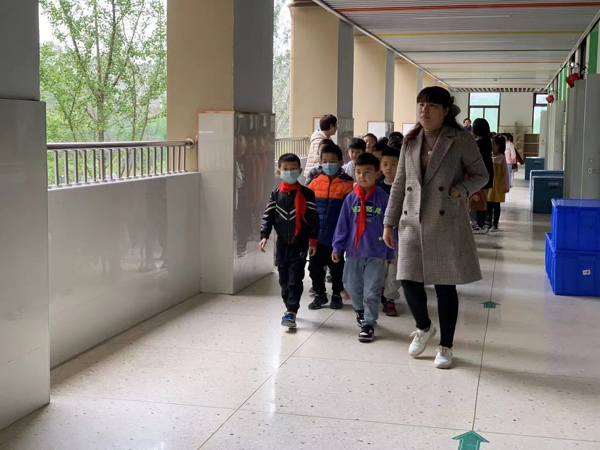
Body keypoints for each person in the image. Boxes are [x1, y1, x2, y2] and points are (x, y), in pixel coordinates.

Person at [383, 86, 489, 369]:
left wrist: (460, 190)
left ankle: (446, 346)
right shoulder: (410, 140)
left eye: (431, 105)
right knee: (407, 279)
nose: (424, 110)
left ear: (445, 110)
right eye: (421, 104)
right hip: (411, 221)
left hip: (445, 222)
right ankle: (424, 326)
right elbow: (399, 184)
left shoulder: (460, 139)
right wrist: (388, 222)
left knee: (444, 286)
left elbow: (482, 175)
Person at [332, 153, 395, 341]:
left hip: (376, 252)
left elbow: (391, 228)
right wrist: (337, 247)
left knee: (372, 290)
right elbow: (342, 225)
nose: (362, 176)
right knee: (350, 285)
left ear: (377, 173)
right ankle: (360, 309)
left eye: (367, 172)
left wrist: (391, 251)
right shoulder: (351, 198)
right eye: (358, 172)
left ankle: (368, 323)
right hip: (354, 252)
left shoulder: (384, 199)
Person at [260, 154, 320, 328]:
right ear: (279, 172)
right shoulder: (276, 194)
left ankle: (291, 311)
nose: (289, 172)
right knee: (283, 279)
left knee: (295, 278)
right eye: (285, 169)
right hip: (282, 244)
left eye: (293, 169)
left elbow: (314, 219)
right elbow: (268, 216)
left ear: (300, 171)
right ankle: (289, 306)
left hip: (299, 244)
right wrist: (264, 235)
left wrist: (313, 241)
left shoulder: (307, 194)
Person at [307, 144, 354, 310]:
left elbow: (350, 213)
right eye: (325, 161)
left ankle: (336, 294)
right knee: (314, 268)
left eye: (332, 161)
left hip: (337, 237)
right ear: (320, 162)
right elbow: (308, 210)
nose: (328, 164)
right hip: (317, 237)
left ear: (340, 162)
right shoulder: (314, 183)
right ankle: (320, 294)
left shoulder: (347, 184)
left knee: (337, 268)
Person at [377, 147, 401, 317]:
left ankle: (390, 298)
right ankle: (380, 291)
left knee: (394, 268)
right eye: (385, 164)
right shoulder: (376, 188)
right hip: (378, 236)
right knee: (380, 266)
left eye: (393, 164)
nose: (389, 168)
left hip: (399, 236)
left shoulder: (405, 188)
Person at [471, 118, 494, 235]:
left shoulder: (479, 143)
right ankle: (482, 223)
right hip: (487, 173)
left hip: (480, 174)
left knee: (478, 200)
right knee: (482, 200)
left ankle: (479, 224)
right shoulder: (487, 140)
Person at [486, 136, 510, 231]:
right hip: (489, 185)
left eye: (493, 144)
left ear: (499, 146)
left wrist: (505, 186)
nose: (491, 146)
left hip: (498, 186)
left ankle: (495, 223)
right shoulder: (488, 156)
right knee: (488, 204)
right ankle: (488, 221)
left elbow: (505, 174)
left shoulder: (501, 158)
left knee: (496, 204)